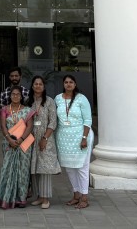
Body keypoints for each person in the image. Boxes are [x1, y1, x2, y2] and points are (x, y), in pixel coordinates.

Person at [55, 74, 93, 209]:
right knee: (70, 168)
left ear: (75, 84)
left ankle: (84, 197)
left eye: (71, 82)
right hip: (64, 138)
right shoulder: (58, 99)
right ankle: (76, 195)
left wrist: (84, 138)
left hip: (80, 136)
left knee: (82, 167)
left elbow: (88, 120)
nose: (68, 84)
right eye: (66, 82)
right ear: (63, 84)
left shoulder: (81, 99)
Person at [0, 85, 34, 209]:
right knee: (7, 169)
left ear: (21, 96)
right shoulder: (4, 109)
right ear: (9, 96)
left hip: (24, 145)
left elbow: (30, 126)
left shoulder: (27, 110)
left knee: (23, 171)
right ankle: (6, 197)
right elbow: (3, 126)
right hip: (8, 144)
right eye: (13, 94)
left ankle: (21, 199)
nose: (15, 96)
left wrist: (21, 139)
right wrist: (9, 139)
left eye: (18, 94)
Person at [28, 75, 60, 209]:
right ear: (32, 86)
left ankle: (46, 198)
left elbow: (53, 122)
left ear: (44, 86)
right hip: (31, 138)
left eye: (40, 84)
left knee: (45, 168)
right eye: (36, 84)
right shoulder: (29, 101)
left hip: (45, 138)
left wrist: (45, 138)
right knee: (34, 167)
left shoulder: (49, 101)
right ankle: (39, 196)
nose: (38, 86)